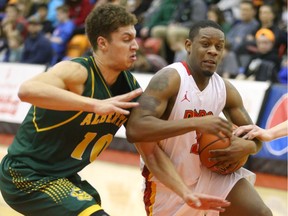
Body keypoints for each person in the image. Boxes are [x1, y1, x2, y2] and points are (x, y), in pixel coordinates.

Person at [0, 4, 142, 216]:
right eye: (126, 39)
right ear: (102, 43)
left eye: (135, 38)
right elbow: (26, 90)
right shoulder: (76, 71)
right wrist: (94, 104)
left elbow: (148, 138)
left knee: (93, 203)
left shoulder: (129, 86)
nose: (136, 46)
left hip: (63, 177)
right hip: (26, 174)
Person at [126, 20, 273, 216]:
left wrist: (248, 147)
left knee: (260, 213)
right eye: (205, 44)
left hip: (210, 172)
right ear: (188, 45)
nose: (213, 51)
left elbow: (256, 137)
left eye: (218, 47)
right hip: (169, 182)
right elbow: (135, 129)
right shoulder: (170, 79)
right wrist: (196, 122)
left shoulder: (225, 89)